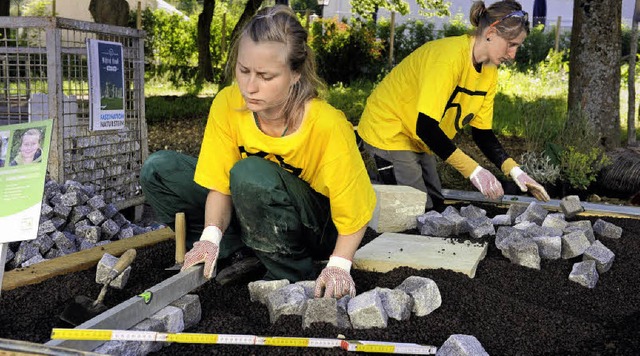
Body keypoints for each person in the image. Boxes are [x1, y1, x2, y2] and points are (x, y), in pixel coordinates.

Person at [140, 5, 376, 299]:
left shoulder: (328, 125)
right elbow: (220, 184)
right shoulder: (228, 103)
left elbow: (355, 214)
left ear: (295, 74)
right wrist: (210, 238)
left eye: (265, 76)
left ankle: (291, 274)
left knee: (249, 172)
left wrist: (339, 265)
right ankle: (236, 251)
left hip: (313, 229)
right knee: (160, 169)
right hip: (253, 204)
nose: (250, 86)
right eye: (244, 70)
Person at [357, 0, 549, 210]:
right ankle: (364, 204)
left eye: (517, 47)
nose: (513, 55)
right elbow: (426, 127)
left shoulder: (490, 72)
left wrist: (516, 171)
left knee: (437, 205)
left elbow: (482, 134)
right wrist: (474, 171)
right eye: (511, 45)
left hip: (418, 134)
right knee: (413, 210)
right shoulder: (448, 58)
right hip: (388, 128)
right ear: (491, 33)